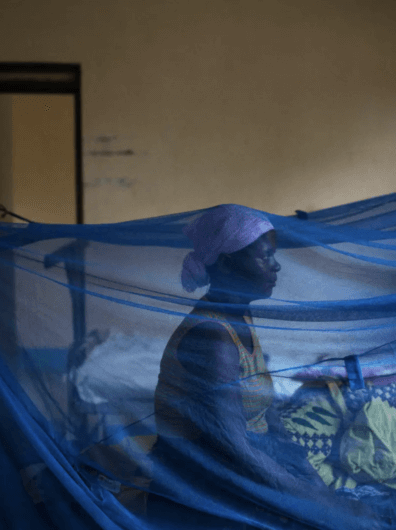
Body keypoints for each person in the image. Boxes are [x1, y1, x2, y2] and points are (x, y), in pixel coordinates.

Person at [148, 204, 378, 530]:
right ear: (227, 263)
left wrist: (314, 484)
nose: (276, 266)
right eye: (265, 256)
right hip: (201, 485)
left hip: (235, 466)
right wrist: (314, 502)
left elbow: (265, 413)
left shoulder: (238, 315)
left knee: (346, 512)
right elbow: (233, 446)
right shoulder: (213, 336)